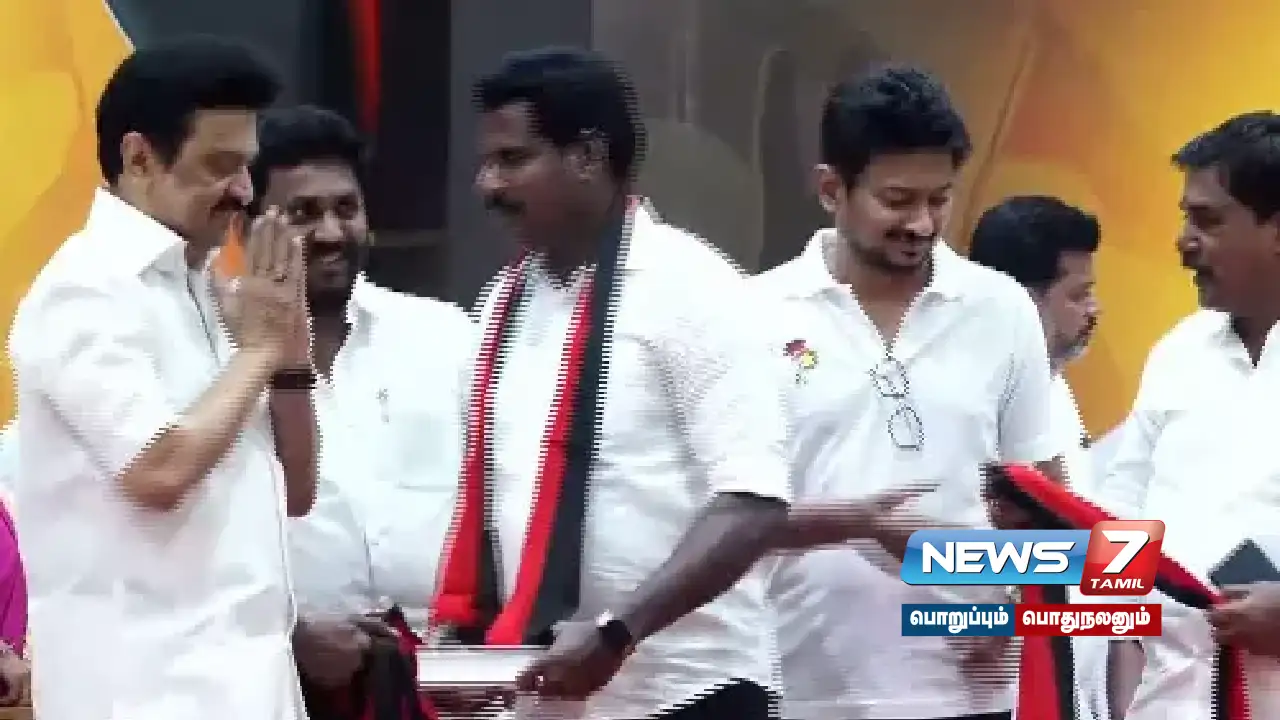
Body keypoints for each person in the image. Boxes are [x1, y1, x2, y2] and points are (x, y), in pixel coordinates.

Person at [429, 47, 793, 720]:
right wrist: (463, 642)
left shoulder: (693, 289)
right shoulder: (503, 301)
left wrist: (617, 632)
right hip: (548, 699)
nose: (487, 185)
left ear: (588, 157)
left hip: (688, 692)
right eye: (487, 163)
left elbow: (754, 503)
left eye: (512, 159)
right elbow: (495, 495)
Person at [9, 37, 318, 720]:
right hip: (142, 694)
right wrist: (258, 353)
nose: (244, 191)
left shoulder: (208, 291)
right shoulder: (84, 290)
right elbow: (158, 470)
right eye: (220, 166)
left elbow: (297, 493)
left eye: (247, 166)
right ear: (140, 158)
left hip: (255, 687)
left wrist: (291, 360)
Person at [752, 66, 1061, 720]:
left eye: (939, 199)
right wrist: (858, 522)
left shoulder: (1000, 307)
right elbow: (723, 517)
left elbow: (1042, 497)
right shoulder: (753, 314)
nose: (922, 223)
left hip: (971, 688)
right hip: (802, 684)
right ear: (831, 189)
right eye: (897, 201)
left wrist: (1010, 606)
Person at [246, 104, 473, 697]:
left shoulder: (444, 336)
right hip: (285, 681)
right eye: (302, 214)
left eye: (345, 209)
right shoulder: (215, 352)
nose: (330, 233)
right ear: (251, 229)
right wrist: (288, 634)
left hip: (441, 676)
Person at [1094, 111, 1280, 720]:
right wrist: (1117, 665)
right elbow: (1123, 511)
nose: (1183, 240)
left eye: (1208, 220)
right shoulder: (1178, 351)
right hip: (1165, 700)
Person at [967, 195, 1110, 719]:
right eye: (1079, 295)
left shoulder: (1057, 389)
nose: (1094, 310)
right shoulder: (969, 403)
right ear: (1023, 302)